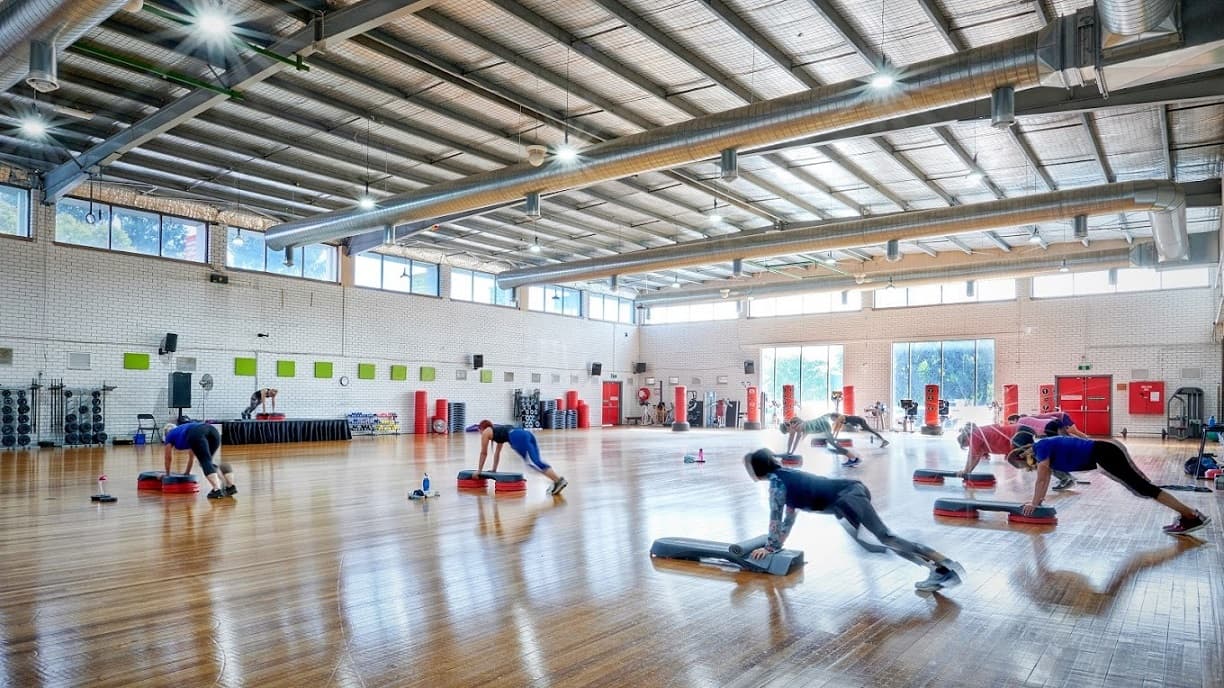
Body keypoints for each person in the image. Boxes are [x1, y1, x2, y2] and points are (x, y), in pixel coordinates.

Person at [743, 448, 965, 591]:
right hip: (848, 496)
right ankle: (940, 567)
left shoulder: (777, 484)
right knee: (877, 542)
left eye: (749, 467)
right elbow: (788, 519)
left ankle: (943, 567)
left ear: (757, 469)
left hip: (846, 498)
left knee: (885, 538)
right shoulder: (785, 477)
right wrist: (775, 545)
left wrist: (769, 548)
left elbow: (775, 519)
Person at [1007, 433, 1210, 536]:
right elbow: (1044, 479)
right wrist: (1038, 501)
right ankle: (1189, 514)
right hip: (1104, 452)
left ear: (1023, 456)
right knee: (1142, 489)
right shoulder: (1043, 449)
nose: (1029, 468)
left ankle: (1191, 516)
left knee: (1144, 489)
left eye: (1024, 466)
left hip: (1104, 453)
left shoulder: (1041, 448)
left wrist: (1034, 503)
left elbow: (1042, 478)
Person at [958, 421, 1077, 491]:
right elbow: (975, 457)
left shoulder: (974, 435)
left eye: (966, 445)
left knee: (1034, 460)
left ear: (966, 439)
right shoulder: (979, 436)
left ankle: (1066, 478)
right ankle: (1066, 477)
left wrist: (965, 471)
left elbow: (971, 457)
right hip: (1021, 432)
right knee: (1034, 460)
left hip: (1018, 434)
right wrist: (967, 472)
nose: (970, 446)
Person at [478, 420, 568, 496]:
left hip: (517, 437)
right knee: (535, 462)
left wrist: (479, 471)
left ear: (481, 428)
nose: (480, 433)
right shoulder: (497, 431)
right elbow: (497, 453)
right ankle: (556, 481)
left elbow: (483, 453)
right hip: (526, 434)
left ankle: (558, 480)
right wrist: (494, 469)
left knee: (533, 463)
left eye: (479, 431)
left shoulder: (486, 432)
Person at [162, 422, 236, 499]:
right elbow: (191, 456)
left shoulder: (170, 435)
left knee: (205, 461)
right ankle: (230, 486)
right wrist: (187, 472)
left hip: (198, 433)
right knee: (208, 462)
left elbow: (168, 457)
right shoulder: (183, 431)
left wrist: (167, 475)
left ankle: (217, 490)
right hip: (213, 431)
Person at [780, 414, 863, 466]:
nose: (789, 433)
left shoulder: (798, 426)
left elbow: (796, 441)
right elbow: (791, 440)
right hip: (820, 425)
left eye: (788, 431)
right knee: (831, 445)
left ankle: (853, 458)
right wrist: (788, 451)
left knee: (833, 444)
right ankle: (852, 457)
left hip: (823, 425)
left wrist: (791, 452)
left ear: (788, 427)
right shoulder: (793, 423)